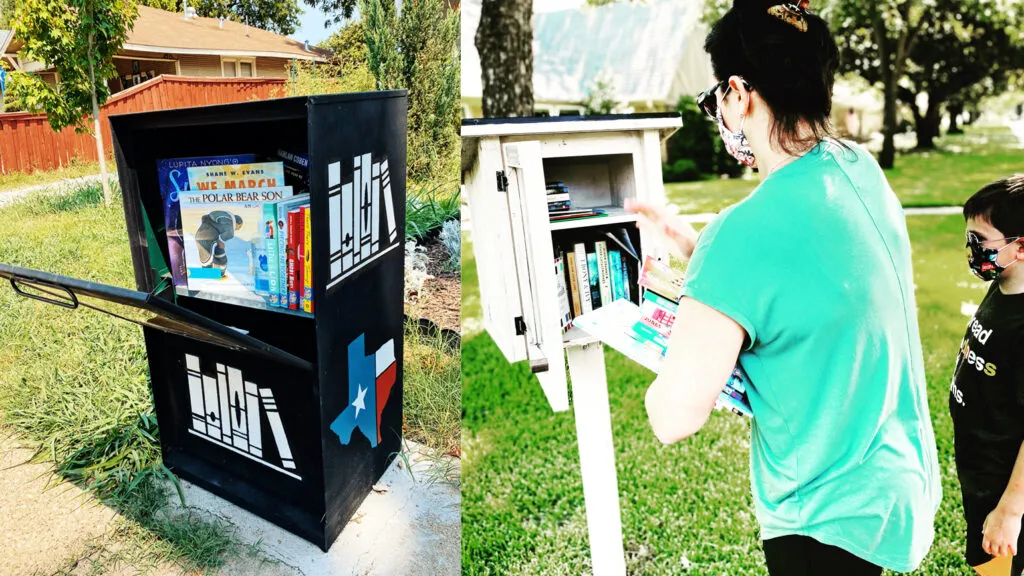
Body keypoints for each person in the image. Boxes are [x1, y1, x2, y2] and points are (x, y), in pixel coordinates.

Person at [625, 0, 941, 574]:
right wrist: (697, 250)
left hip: (823, 523)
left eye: (716, 95)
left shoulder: (743, 234)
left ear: (740, 94)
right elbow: (809, 279)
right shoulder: (858, 168)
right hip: (897, 489)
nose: (719, 111)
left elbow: (674, 419)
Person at [950, 175, 1024, 576]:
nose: (972, 249)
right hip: (982, 469)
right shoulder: (1006, 283)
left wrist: (1011, 510)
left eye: (981, 241)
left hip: (1006, 486)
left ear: (1021, 246)